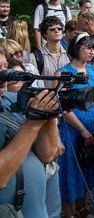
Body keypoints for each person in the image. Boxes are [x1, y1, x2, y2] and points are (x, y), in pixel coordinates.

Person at [0, 50, 61, 218]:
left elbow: (47, 155)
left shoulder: (13, 100)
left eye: (5, 66)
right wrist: (32, 125)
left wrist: (48, 115)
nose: (5, 74)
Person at [55, 33, 94, 218]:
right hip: (72, 131)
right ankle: (68, 212)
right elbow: (62, 107)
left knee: (86, 168)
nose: (92, 51)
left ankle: (82, 206)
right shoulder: (62, 73)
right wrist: (83, 130)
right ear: (76, 48)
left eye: (93, 48)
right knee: (70, 171)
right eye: (87, 47)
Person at [28, 16, 70, 85]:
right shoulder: (34, 57)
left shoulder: (71, 54)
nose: (57, 31)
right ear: (44, 34)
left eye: (59, 29)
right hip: (45, 95)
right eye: (52, 29)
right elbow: (33, 84)